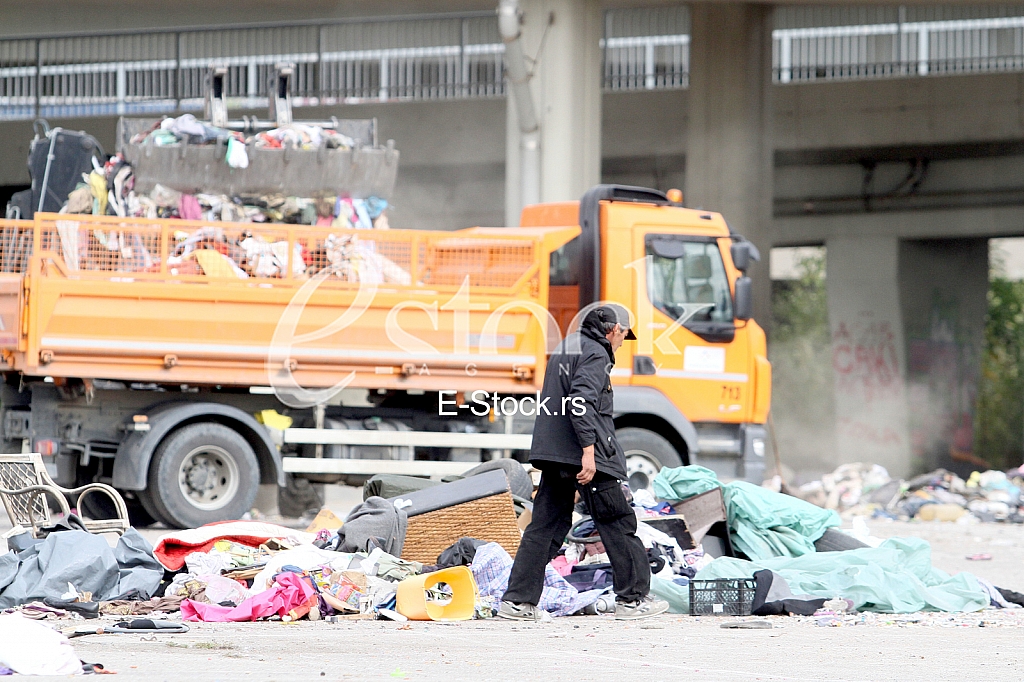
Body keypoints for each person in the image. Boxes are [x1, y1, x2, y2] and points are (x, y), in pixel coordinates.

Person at [498, 304, 670, 621]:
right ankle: (633, 600)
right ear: (613, 329)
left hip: (557, 455)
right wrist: (589, 453)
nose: (623, 342)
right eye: (623, 334)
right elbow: (581, 401)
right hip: (585, 457)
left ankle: (517, 602)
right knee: (618, 522)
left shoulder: (567, 347)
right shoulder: (595, 352)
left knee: (545, 527)